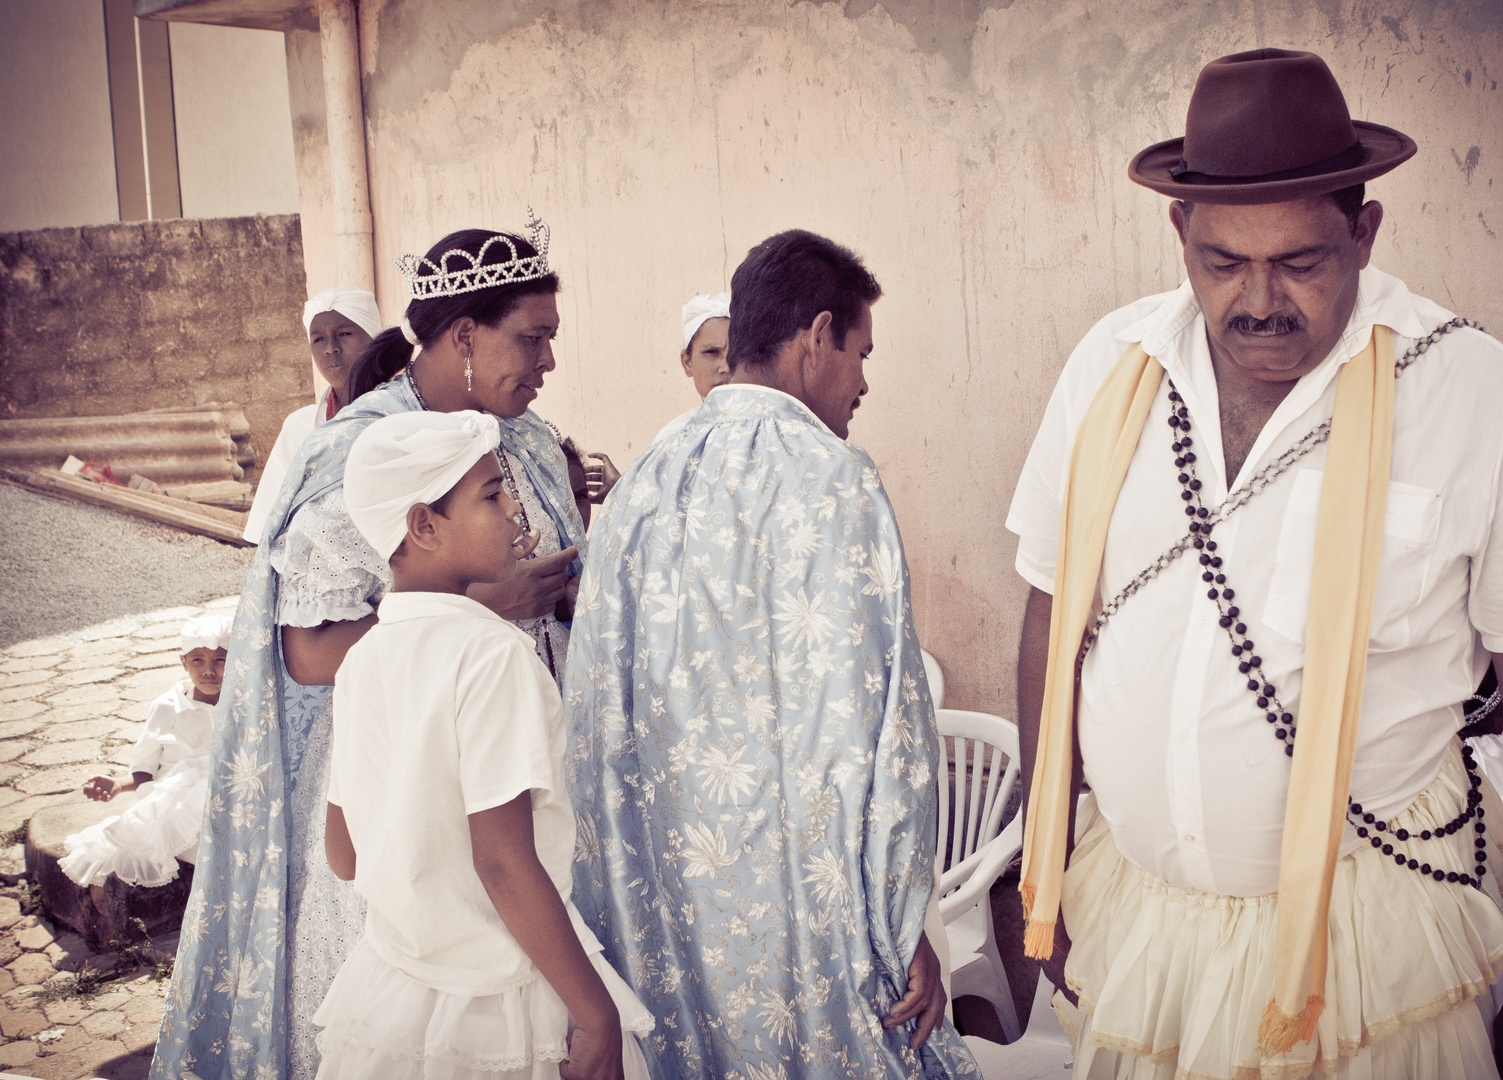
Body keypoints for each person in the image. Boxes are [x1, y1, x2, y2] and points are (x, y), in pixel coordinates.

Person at [1008, 49, 1503, 1080]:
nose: (1258, 303)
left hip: (1369, 955)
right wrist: (1046, 865)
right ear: (1179, 235)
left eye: (1301, 261)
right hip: (1141, 927)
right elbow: (1049, 620)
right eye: (1224, 262)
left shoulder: (1477, 395)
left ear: (1364, 232)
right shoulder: (1113, 365)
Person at [153, 213, 589, 1080]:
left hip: (515, 759)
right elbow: (308, 653)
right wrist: (485, 611)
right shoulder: (364, 452)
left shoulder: (529, 441)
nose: (547, 362)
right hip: (407, 787)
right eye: (533, 339)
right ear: (464, 334)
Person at [566, 230, 980, 1079]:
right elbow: (883, 733)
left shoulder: (645, 481)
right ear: (817, 335)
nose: (864, 381)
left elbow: (595, 714)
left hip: (668, 924)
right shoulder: (837, 483)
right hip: (811, 930)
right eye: (862, 353)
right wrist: (903, 930)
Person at [314, 409, 652, 1079]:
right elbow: (503, 863)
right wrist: (595, 1014)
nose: (512, 510)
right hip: (504, 1000)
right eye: (493, 494)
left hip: (397, 987)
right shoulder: (492, 653)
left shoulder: (365, 659)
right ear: (424, 525)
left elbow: (344, 853)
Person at [60, 614, 231, 888]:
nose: (209, 670)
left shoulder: (242, 704)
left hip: (228, 795)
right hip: (178, 804)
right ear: (183, 662)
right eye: (197, 660)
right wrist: (118, 784)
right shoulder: (167, 707)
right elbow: (145, 771)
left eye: (220, 659)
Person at [244, 288, 383, 544]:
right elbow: (268, 528)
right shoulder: (300, 426)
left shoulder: (398, 414)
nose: (331, 348)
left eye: (344, 334)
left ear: (374, 339)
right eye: (318, 339)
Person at [649, 291, 730, 444]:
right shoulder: (672, 437)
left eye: (737, 353)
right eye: (712, 352)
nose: (726, 367)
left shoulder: (771, 431)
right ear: (687, 362)